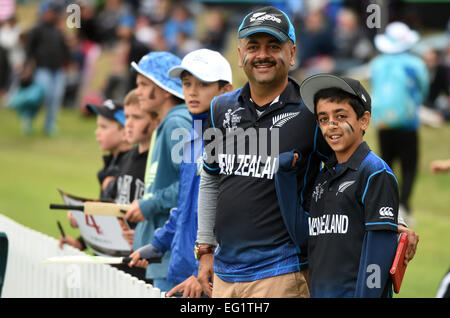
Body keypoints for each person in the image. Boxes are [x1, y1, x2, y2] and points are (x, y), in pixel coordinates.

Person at [195, 6, 332, 298]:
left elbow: (353, 169)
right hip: (225, 272)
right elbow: (210, 179)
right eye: (253, 46)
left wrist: (392, 219)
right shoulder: (221, 108)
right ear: (240, 53)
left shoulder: (312, 112)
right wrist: (205, 249)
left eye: (274, 46)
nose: (262, 55)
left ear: (292, 53)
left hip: (282, 272)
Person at [275, 73, 399, 297]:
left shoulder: (374, 173)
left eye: (341, 116)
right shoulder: (324, 177)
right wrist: (283, 178)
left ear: (364, 120)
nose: (331, 125)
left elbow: (378, 258)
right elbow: (303, 237)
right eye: (323, 118)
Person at [128, 48, 233, 298]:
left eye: (203, 84)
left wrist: (207, 270)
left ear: (226, 90)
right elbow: (185, 206)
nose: (192, 91)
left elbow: (231, 220)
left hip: (207, 279)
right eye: (187, 83)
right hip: (182, 272)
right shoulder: (191, 139)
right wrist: (158, 244)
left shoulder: (234, 141)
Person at [124, 51, 191, 291]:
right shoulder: (168, 122)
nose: (138, 91)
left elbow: (192, 184)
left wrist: (148, 205)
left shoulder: (176, 123)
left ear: (164, 88)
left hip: (174, 259)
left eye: (144, 84)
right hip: (163, 257)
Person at [370, 22, 429, 225]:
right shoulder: (415, 64)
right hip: (407, 121)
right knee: (409, 165)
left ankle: (389, 205)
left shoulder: (377, 63)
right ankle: (404, 204)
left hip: (382, 121)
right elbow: (423, 89)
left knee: (387, 163)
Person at [59, 99, 132, 250]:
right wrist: (80, 243)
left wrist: (84, 216)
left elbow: (120, 220)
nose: (97, 132)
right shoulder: (111, 163)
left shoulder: (131, 168)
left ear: (126, 132)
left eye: (104, 127)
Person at [25, 1, 69, 136]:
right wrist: (28, 66)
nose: (51, 15)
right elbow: (29, 49)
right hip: (42, 69)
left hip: (58, 69)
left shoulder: (58, 30)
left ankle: (49, 125)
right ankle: (29, 120)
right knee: (42, 97)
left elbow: (65, 49)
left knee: (55, 98)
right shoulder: (37, 29)